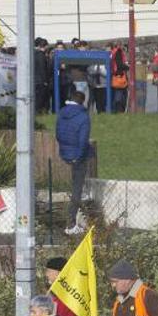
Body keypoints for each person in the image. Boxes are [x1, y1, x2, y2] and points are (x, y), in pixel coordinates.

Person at [56, 90, 92, 236]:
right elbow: (83, 140)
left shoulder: (61, 113)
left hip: (64, 153)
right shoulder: (83, 117)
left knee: (75, 188)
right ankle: (70, 225)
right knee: (77, 189)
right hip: (78, 156)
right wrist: (79, 155)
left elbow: (58, 134)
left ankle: (77, 218)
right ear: (82, 101)